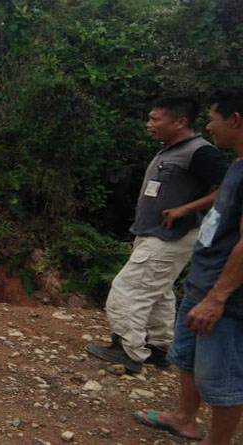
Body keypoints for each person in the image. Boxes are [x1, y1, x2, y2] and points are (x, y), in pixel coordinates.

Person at [85, 96, 229, 373]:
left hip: (172, 235)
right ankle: (158, 348)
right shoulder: (170, 149)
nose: (148, 124)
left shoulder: (199, 152)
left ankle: (129, 351)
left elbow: (230, 185)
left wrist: (186, 208)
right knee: (158, 291)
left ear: (180, 122)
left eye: (154, 119)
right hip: (154, 233)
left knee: (128, 290)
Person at [133, 87, 243, 445]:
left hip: (225, 295)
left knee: (222, 374)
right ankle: (183, 418)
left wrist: (218, 297)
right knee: (187, 355)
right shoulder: (237, 165)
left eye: (212, 119)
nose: (209, 127)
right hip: (203, 280)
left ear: (235, 120)